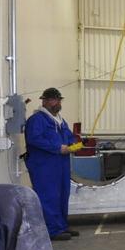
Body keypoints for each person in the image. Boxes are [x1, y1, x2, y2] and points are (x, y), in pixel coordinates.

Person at [25, 87, 78, 241]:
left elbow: (69, 136)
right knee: (49, 196)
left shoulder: (60, 120)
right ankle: (52, 230)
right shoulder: (37, 120)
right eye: (55, 100)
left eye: (59, 100)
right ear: (46, 101)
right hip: (44, 166)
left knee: (62, 194)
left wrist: (74, 145)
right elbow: (34, 139)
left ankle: (62, 225)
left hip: (61, 164)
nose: (58, 103)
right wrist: (57, 148)